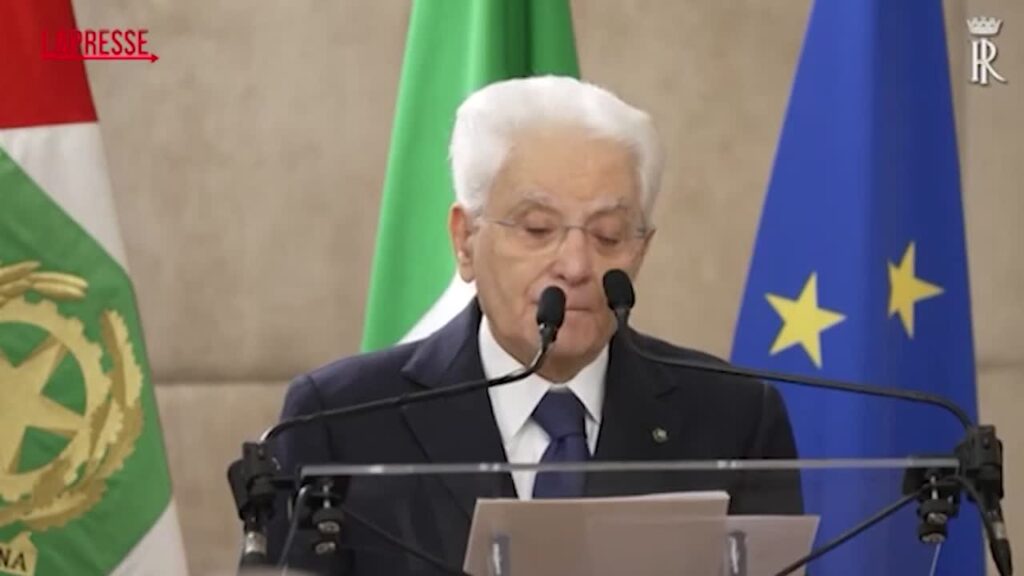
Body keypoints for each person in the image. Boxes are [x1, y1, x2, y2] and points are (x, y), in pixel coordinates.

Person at [267, 76, 802, 575]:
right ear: (465, 240)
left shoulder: (735, 417)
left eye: (608, 235)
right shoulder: (341, 420)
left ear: (641, 250)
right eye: (538, 228)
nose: (576, 265)